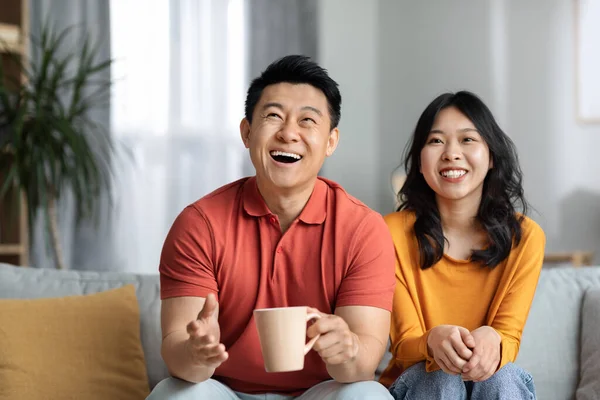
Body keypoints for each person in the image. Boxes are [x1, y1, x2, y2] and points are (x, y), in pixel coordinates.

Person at [147, 55, 396, 400]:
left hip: (319, 392)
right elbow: (177, 352)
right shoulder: (199, 223)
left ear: (331, 141)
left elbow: (362, 365)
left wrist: (349, 350)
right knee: (175, 394)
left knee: (367, 395)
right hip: (224, 391)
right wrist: (195, 353)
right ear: (247, 133)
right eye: (273, 116)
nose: (289, 133)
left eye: (307, 121)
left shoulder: (363, 229)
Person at [380, 91, 545, 400]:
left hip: (492, 383)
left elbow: (509, 336)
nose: (451, 153)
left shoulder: (525, 237)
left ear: (492, 155)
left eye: (468, 140)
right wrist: (431, 341)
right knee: (439, 377)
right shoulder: (389, 233)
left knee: (503, 378)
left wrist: (494, 338)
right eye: (436, 141)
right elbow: (403, 345)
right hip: (417, 382)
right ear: (419, 161)